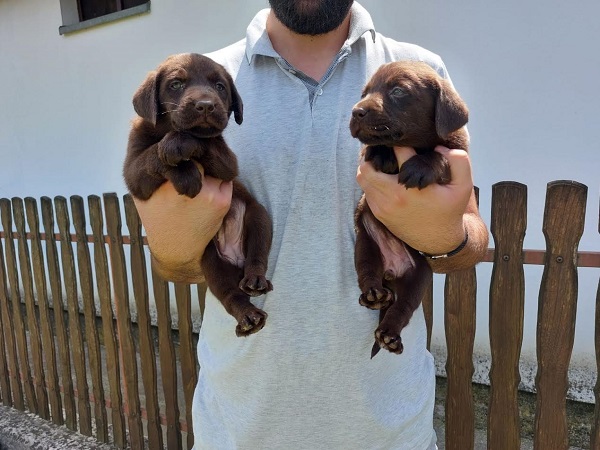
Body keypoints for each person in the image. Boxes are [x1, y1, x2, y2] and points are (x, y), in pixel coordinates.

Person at [134, 1, 489, 449]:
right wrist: (172, 246)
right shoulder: (212, 84)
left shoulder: (417, 70)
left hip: (386, 431)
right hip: (241, 429)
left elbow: (473, 238)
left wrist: (442, 236)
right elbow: (174, 265)